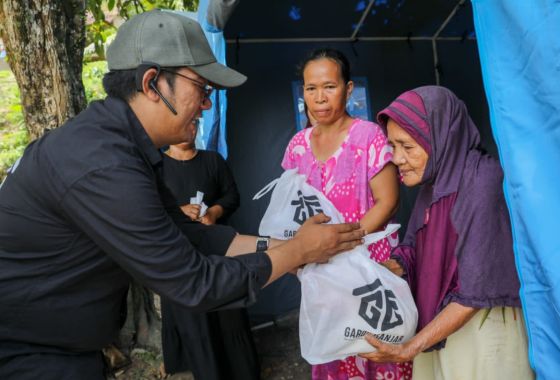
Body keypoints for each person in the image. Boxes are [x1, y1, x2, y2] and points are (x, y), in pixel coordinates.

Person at [0, 10, 365, 379]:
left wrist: (290, 247)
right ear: (152, 83)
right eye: (201, 89)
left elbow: (193, 234)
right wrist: (299, 251)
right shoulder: (102, 165)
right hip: (24, 351)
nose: (207, 104)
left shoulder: (124, 147)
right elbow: (194, 283)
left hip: (61, 347)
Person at [360, 86, 534, 380]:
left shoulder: (481, 181)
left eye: (408, 146)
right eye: (393, 146)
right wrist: (386, 268)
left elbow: (475, 291)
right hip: (444, 324)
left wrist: (411, 347)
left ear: (441, 137)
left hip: (484, 332)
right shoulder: (435, 180)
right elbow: (416, 245)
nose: (397, 158)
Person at [281, 48, 409, 380]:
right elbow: (292, 206)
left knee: (375, 346)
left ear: (348, 89)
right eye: (311, 88)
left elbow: (387, 202)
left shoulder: (367, 135)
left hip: (369, 264)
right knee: (335, 349)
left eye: (329, 86)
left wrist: (342, 245)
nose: (319, 98)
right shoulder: (297, 144)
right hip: (323, 268)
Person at [160, 133, 259, 379]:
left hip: (218, 250)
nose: (186, 130)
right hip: (180, 257)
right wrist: (179, 211)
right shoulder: (157, 167)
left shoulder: (213, 160)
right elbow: (149, 209)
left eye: (192, 123)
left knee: (228, 312)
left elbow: (232, 196)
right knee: (196, 319)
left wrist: (214, 212)